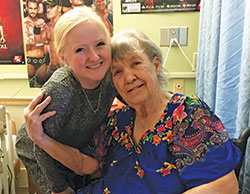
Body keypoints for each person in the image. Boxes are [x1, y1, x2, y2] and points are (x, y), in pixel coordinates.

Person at [24, 28, 241, 194]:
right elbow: (85, 165)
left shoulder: (187, 115)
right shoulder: (118, 122)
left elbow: (225, 186)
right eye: (117, 72)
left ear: (155, 65)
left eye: (136, 63)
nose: (129, 77)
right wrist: (41, 139)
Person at [16, 6, 118, 194]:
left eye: (100, 44)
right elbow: (39, 146)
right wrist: (60, 188)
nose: (94, 57)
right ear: (64, 57)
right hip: (37, 150)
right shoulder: (61, 91)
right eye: (80, 49)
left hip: (72, 144)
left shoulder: (110, 76)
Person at [24, 0, 50, 87]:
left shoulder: (41, 22)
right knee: (28, 91)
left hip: (42, 60)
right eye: (30, 8)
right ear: (26, 8)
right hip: (29, 60)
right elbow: (26, 43)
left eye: (35, 8)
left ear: (38, 9)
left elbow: (46, 41)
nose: (33, 11)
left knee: (43, 90)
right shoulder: (24, 23)